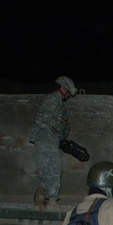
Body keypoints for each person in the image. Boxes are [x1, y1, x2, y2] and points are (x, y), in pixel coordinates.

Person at [31, 75, 86, 210]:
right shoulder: (52, 100)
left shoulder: (54, 100)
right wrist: (58, 132)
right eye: (68, 92)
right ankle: (52, 202)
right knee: (54, 168)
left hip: (48, 139)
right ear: (63, 88)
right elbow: (47, 120)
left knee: (46, 170)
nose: (68, 96)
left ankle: (39, 201)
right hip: (47, 139)